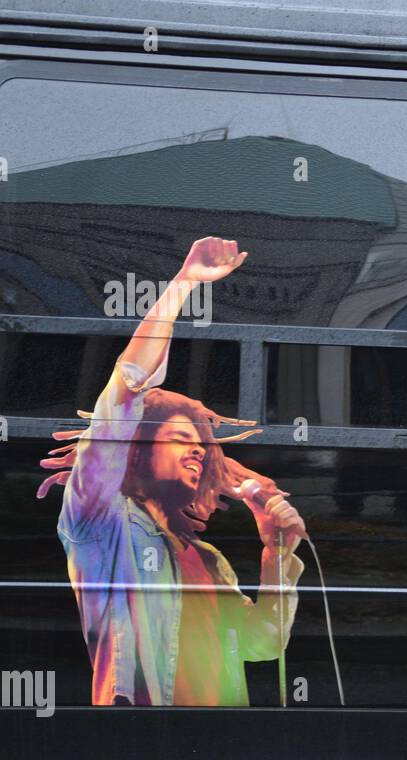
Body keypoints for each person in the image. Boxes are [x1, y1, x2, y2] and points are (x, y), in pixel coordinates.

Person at [38, 237, 306, 706]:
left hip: (221, 750)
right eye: (180, 440)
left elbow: (263, 644)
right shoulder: (102, 527)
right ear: (137, 450)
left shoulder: (206, 558)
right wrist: (183, 284)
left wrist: (277, 553)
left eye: (201, 446)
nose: (198, 453)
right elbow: (124, 393)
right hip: (146, 745)